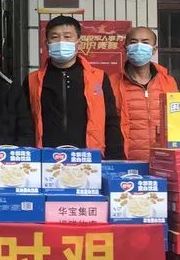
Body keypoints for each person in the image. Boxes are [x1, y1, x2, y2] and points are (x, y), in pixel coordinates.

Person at [20, 15, 125, 158]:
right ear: (46, 43)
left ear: (78, 43)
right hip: (46, 157)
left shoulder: (98, 78)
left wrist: (115, 157)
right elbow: (25, 123)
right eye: (55, 37)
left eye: (67, 37)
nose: (61, 42)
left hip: (89, 156)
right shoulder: (32, 80)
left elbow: (111, 119)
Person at [108, 25, 179, 161]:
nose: (139, 46)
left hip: (163, 159)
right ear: (125, 48)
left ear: (154, 49)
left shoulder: (168, 82)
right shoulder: (111, 82)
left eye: (145, 42)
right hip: (125, 160)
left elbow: (176, 120)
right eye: (134, 42)